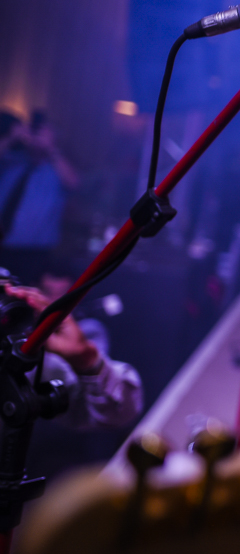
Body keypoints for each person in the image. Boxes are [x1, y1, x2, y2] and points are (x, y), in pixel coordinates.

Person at [4, 278, 142, 430]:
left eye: (63, 296)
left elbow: (118, 412)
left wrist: (87, 361)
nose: (53, 301)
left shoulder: (45, 355)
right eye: (47, 293)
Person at [0, 113, 79, 285]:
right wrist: (12, 136)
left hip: (33, 254)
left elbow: (73, 182)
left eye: (43, 132)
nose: (37, 137)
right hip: (2, 247)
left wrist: (50, 147)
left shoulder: (56, 170)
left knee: (24, 304)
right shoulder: (12, 160)